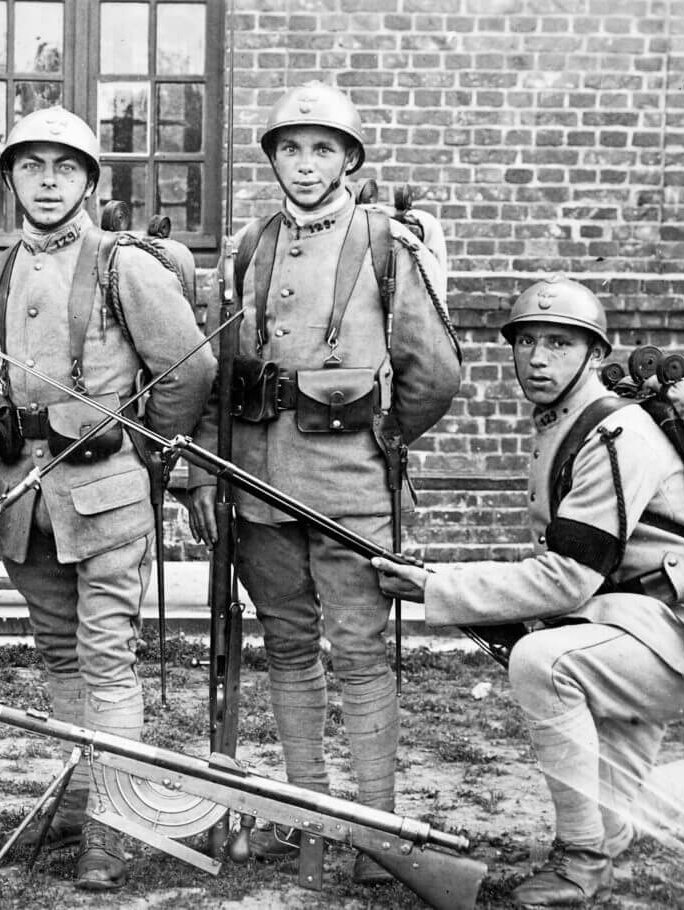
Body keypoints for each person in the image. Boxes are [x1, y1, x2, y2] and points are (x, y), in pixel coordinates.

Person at [374, 275, 684, 907]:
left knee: (542, 665)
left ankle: (579, 864)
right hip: (630, 627)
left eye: (559, 343)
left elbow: (568, 576)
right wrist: (445, 579)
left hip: (671, 637)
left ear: (592, 354)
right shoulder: (566, 423)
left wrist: (440, 586)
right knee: (615, 822)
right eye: (526, 342)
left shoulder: (616, 435)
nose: (538, 358)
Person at [183, 82, 461, 885]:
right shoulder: (251, 244)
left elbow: (433, 372)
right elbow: (223, 370)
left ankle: (378, 833)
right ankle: (311, 818)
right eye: (291, 149)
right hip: (260, 486)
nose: (306, 166)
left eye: (323, 150)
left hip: (352, 492)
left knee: (364, 654)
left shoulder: (385, 244)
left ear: (349, 160)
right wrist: (207, 467)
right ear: (273, 158)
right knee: (289, 648)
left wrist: (381, 438)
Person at [0, 106, 216, 890]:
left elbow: (188, 370)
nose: (49, 182)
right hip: (24, 498)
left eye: (66, 168)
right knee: (59, 652)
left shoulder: (121, 264)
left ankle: (112, 822)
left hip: (108, 497)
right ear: (11, 180)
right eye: (32, 167)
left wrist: (142, 451)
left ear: (91, 180)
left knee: (106, 654)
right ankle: (83, 789)